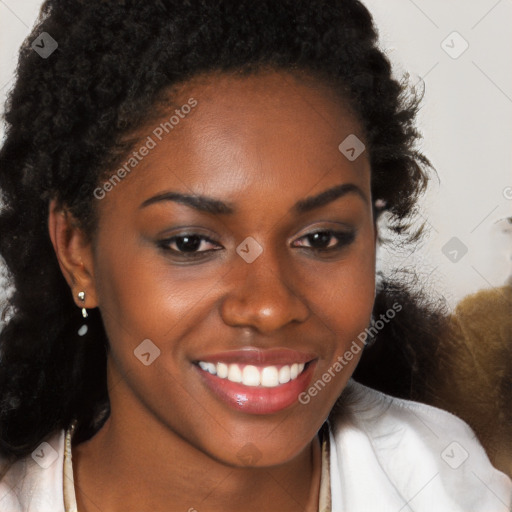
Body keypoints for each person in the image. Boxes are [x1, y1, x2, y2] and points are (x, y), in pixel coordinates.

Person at [0, 1, 510, 511]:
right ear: (77, 252)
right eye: (190, 243)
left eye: (321, 238)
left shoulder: (450, 485)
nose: (269, 307)